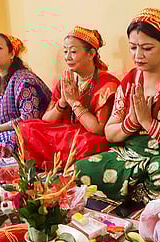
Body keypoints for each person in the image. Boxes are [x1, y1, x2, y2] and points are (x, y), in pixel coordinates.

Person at [76, 8, 160, 204]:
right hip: (130, 156)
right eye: (133, 47)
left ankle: (130, 195)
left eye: (147, 48)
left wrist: (148, 123)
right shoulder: (131, 79)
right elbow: (111, 133)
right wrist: (131, 121)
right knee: (81, 168)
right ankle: (143, 195)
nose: (138, 55)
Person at [17, 26, 120, 168]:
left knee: (88, 144)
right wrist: (63, 102)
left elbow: (98, 130)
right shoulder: (66, 80)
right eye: (65, 51)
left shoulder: (108, 84)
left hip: (88, 136)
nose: (67, 57)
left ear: (91, 54)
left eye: (73, 52)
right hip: (66, 131)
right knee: (27, 128)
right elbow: (46, 119)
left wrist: (74, 102)